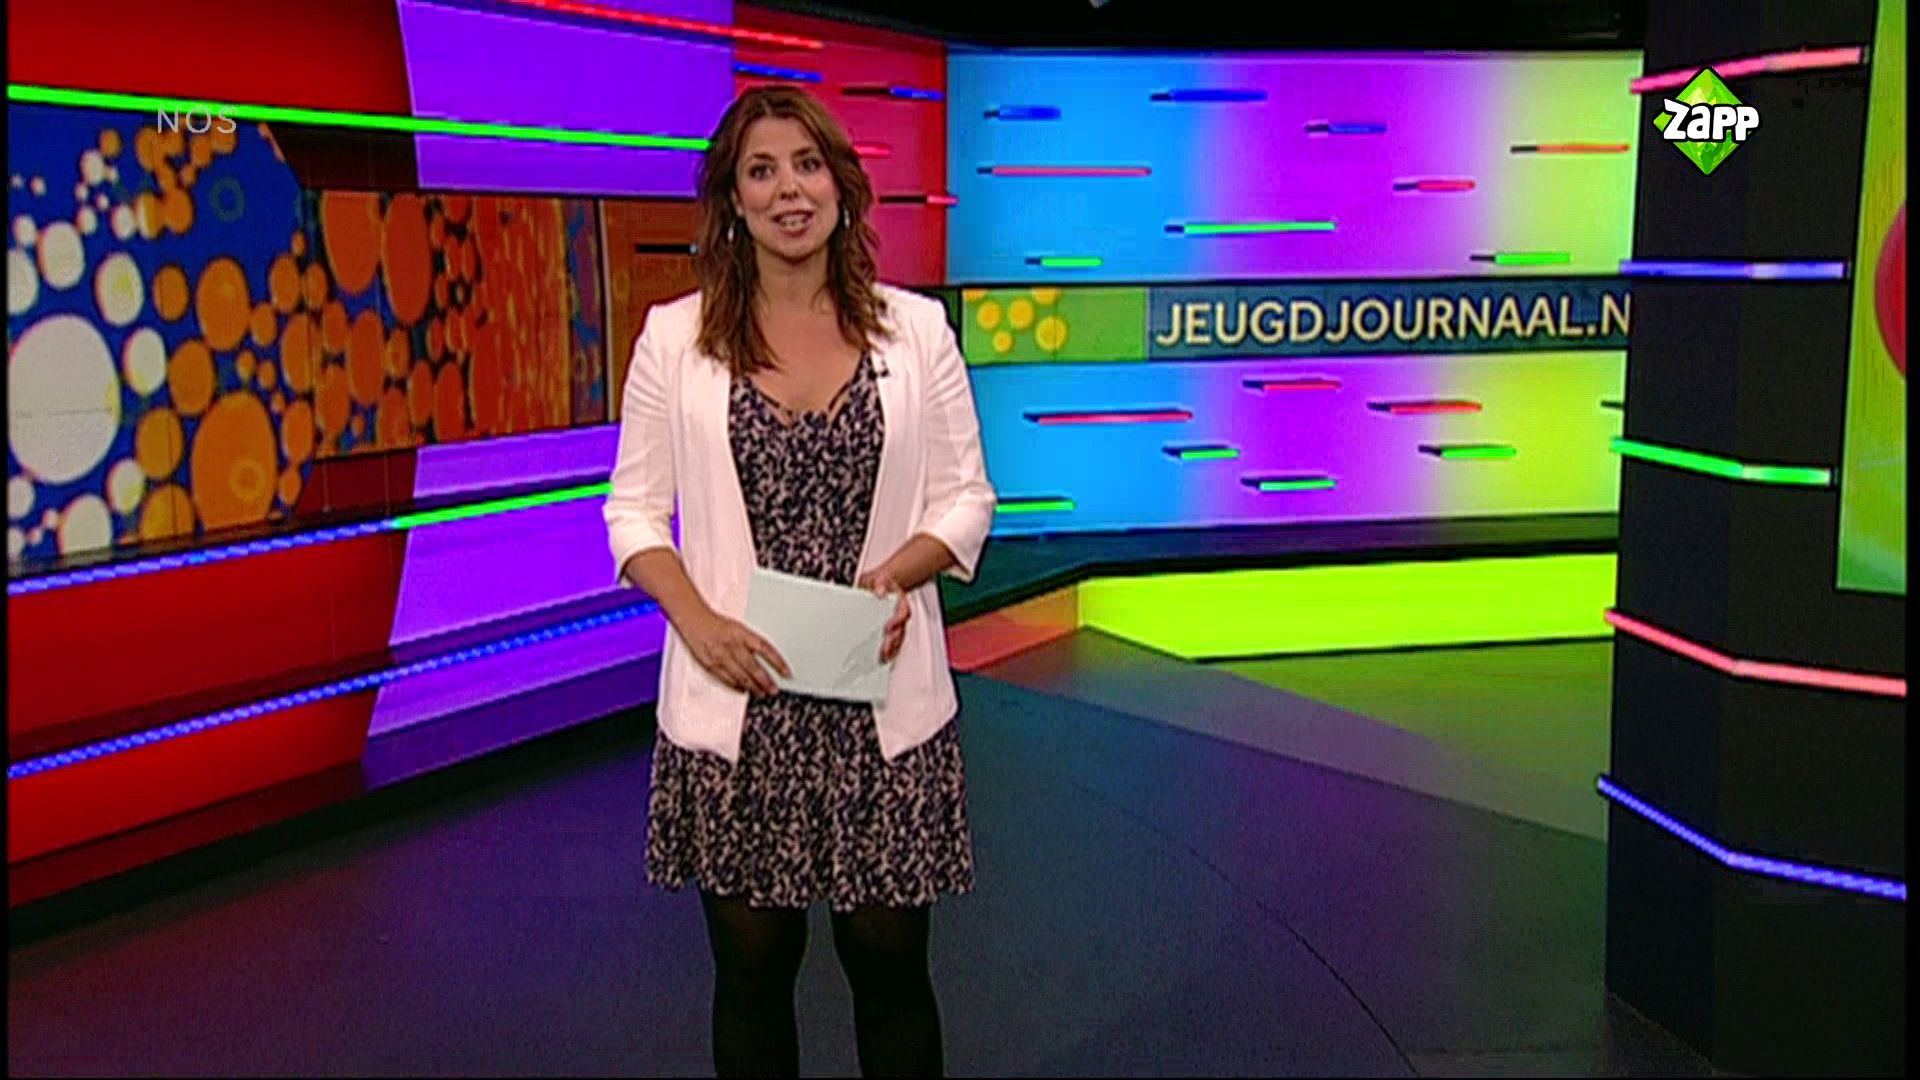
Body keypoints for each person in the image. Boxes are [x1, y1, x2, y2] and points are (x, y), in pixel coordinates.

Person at [604, 84, 996, 1078]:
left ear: (841, 186)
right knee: (753, 969)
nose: (790, 190)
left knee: (890, 964)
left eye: (808, 165)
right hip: (742, 695)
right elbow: (634, 513)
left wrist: (898, 576)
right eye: (763, 170)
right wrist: (697, 623)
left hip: (882, 695)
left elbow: (966, 499)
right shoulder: (674, 338)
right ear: (732, 199)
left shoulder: (918, 331)